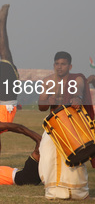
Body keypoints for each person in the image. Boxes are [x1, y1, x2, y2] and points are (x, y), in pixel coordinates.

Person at [0, 5, 40, 147]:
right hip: (8, 96)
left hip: (7, 95)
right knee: (7, 56)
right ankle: (2, 22)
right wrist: (16, 106)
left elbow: (19, 128)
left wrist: (36, 137)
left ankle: (1, 22)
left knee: (4, 55)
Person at [37, 51, 92, 200]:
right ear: (54, 65)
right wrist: (48, 102)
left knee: (76, 157)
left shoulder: (77, 78)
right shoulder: (48, 81)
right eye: (57, 64)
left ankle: (79, 193)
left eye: (63, 64)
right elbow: (41, 105)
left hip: (71, 123)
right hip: (53, 124)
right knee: (47, 155)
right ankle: (54, 192)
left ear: (70, 66)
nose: (60, 67)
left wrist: (77, 98)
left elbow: (79, 91)